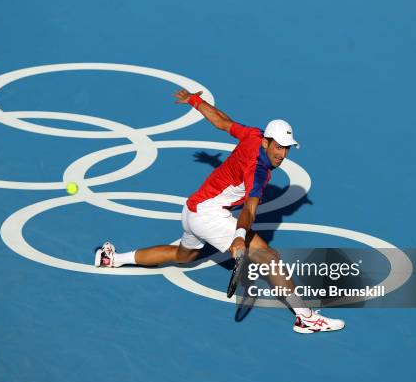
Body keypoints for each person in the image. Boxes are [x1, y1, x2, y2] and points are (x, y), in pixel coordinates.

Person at [95, 90, 344, 334]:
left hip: (191, 210)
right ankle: (306, 318)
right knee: (270, 257)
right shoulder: (257, 170)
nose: (282, 154)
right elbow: (250, 208)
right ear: (267, 142)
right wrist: (238, 235)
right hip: (209, 215)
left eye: (287, 148)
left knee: (183, 256)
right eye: (279, 147)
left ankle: (113, 259)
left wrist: (195, 100)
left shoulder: (254, 135)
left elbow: (223, 122)